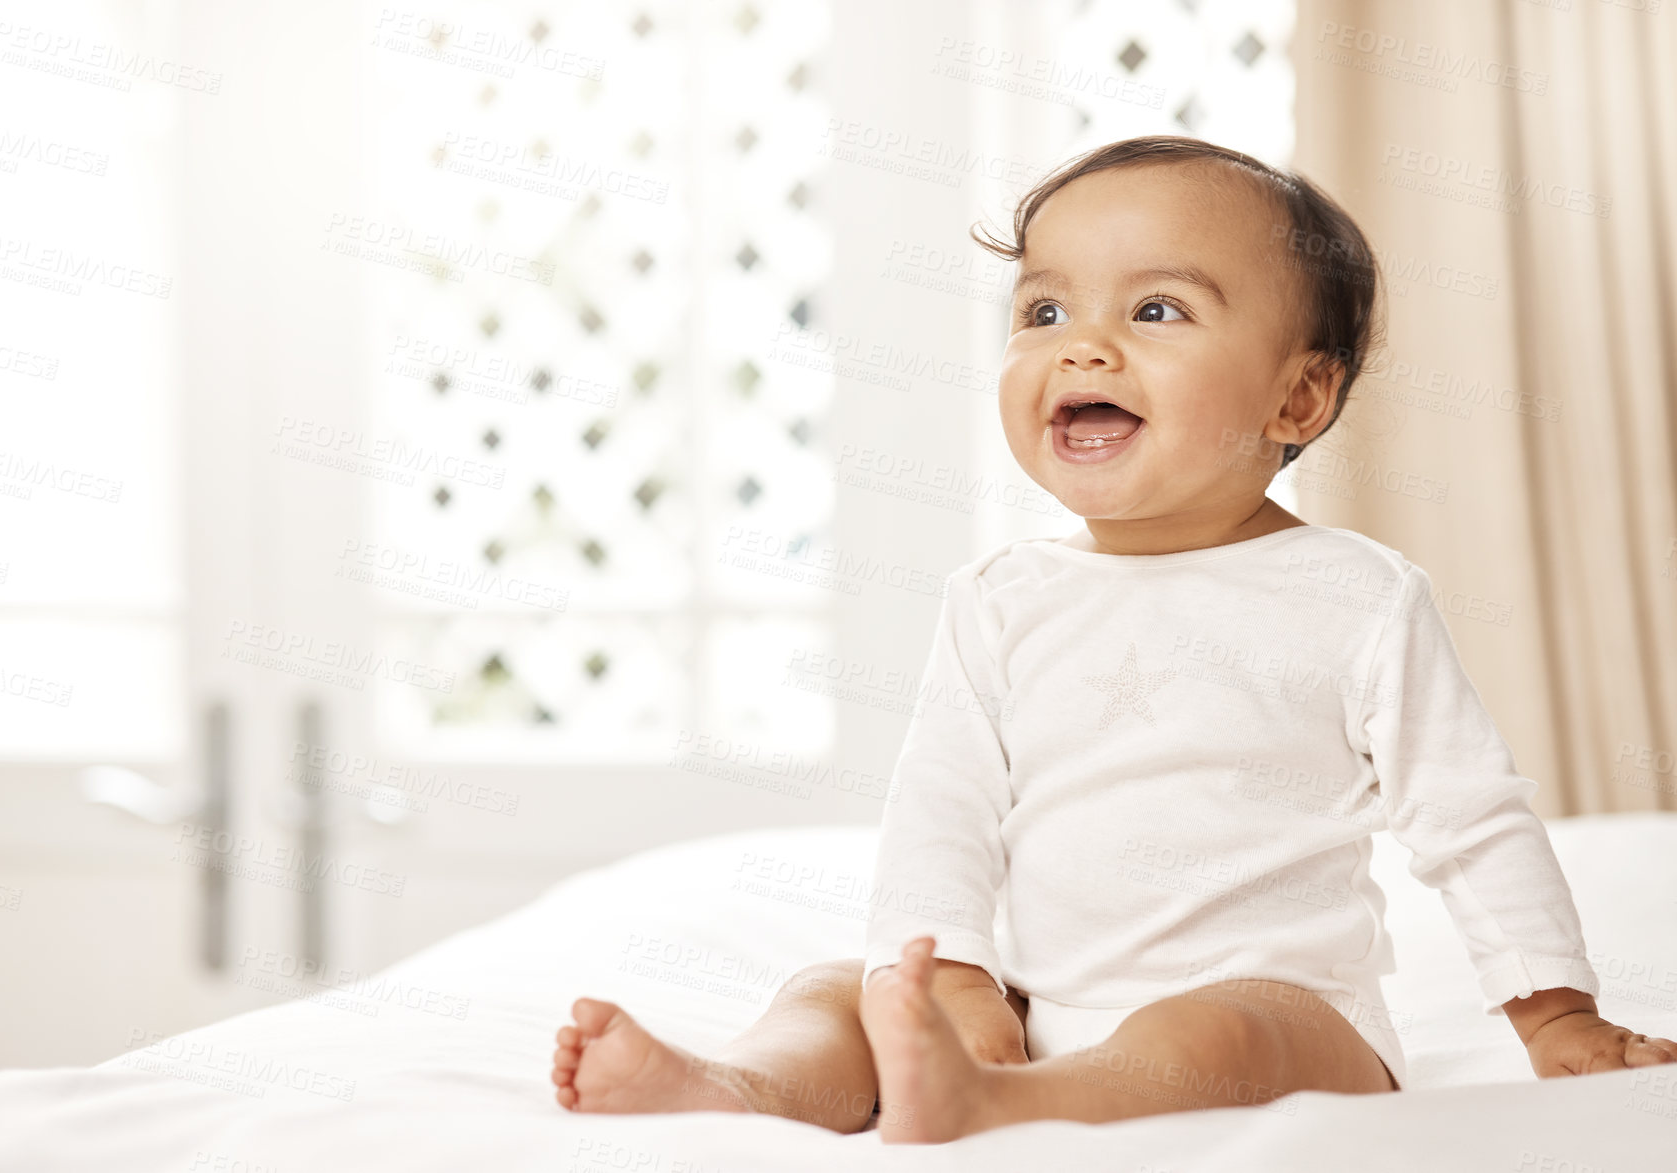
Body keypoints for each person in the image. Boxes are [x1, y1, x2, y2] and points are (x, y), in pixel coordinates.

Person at [549, 134, 1677, 1143]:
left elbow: (1470, 821)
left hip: (1292, 1014)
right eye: (1044, 313)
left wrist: (1555, 1010)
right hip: (1036, 1008)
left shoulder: (1355, 596)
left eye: (1155, 311)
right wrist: (956, 978)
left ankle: (1001, 1107)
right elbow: (942, 812)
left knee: (1219, 1031)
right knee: (831, 990)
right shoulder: (1000, 598)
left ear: (1298, 399)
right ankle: (742, 1087)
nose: (1081, 349)